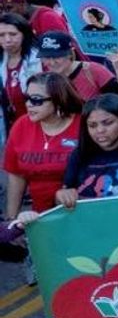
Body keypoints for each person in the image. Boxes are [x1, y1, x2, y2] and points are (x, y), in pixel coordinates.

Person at [4, 73, 82, 217]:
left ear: (58, 100)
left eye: (36, 100)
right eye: (26, 98)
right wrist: (11, 220)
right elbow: (16, 176)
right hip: (40, 215)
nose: (28, 104)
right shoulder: (22, 125)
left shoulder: (83, 126)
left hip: (79, 210)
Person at [38, 32, 118, 102]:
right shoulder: (44, 79)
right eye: (46, 58)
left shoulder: (93, 70)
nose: (52, 62)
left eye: (57, 57)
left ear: (70, 54)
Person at [0, 14, 40, 123]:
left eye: (13, 34)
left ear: (24, 34)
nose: (7, 40)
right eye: (1, 35)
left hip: (37, 122)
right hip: (8, 124)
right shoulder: (1, 60)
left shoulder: (40, 60)